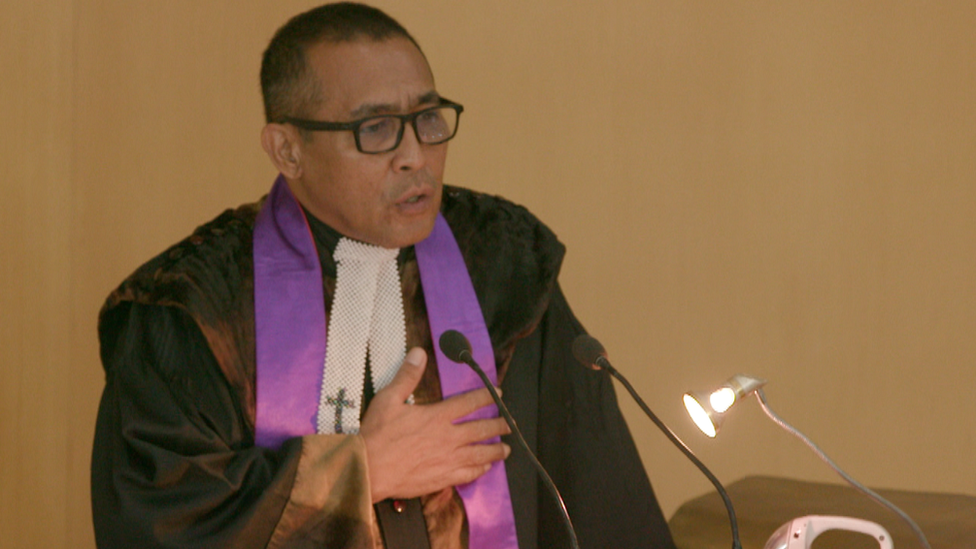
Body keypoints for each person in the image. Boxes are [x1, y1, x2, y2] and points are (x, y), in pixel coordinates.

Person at [91, 3, 677, 548]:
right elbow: (156, 523)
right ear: (287, 150)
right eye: (375, 130)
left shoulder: (506, 268)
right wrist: (359, 472)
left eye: (427, 118)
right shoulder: (191, 308)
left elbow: (602, 498)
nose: (415, 155)